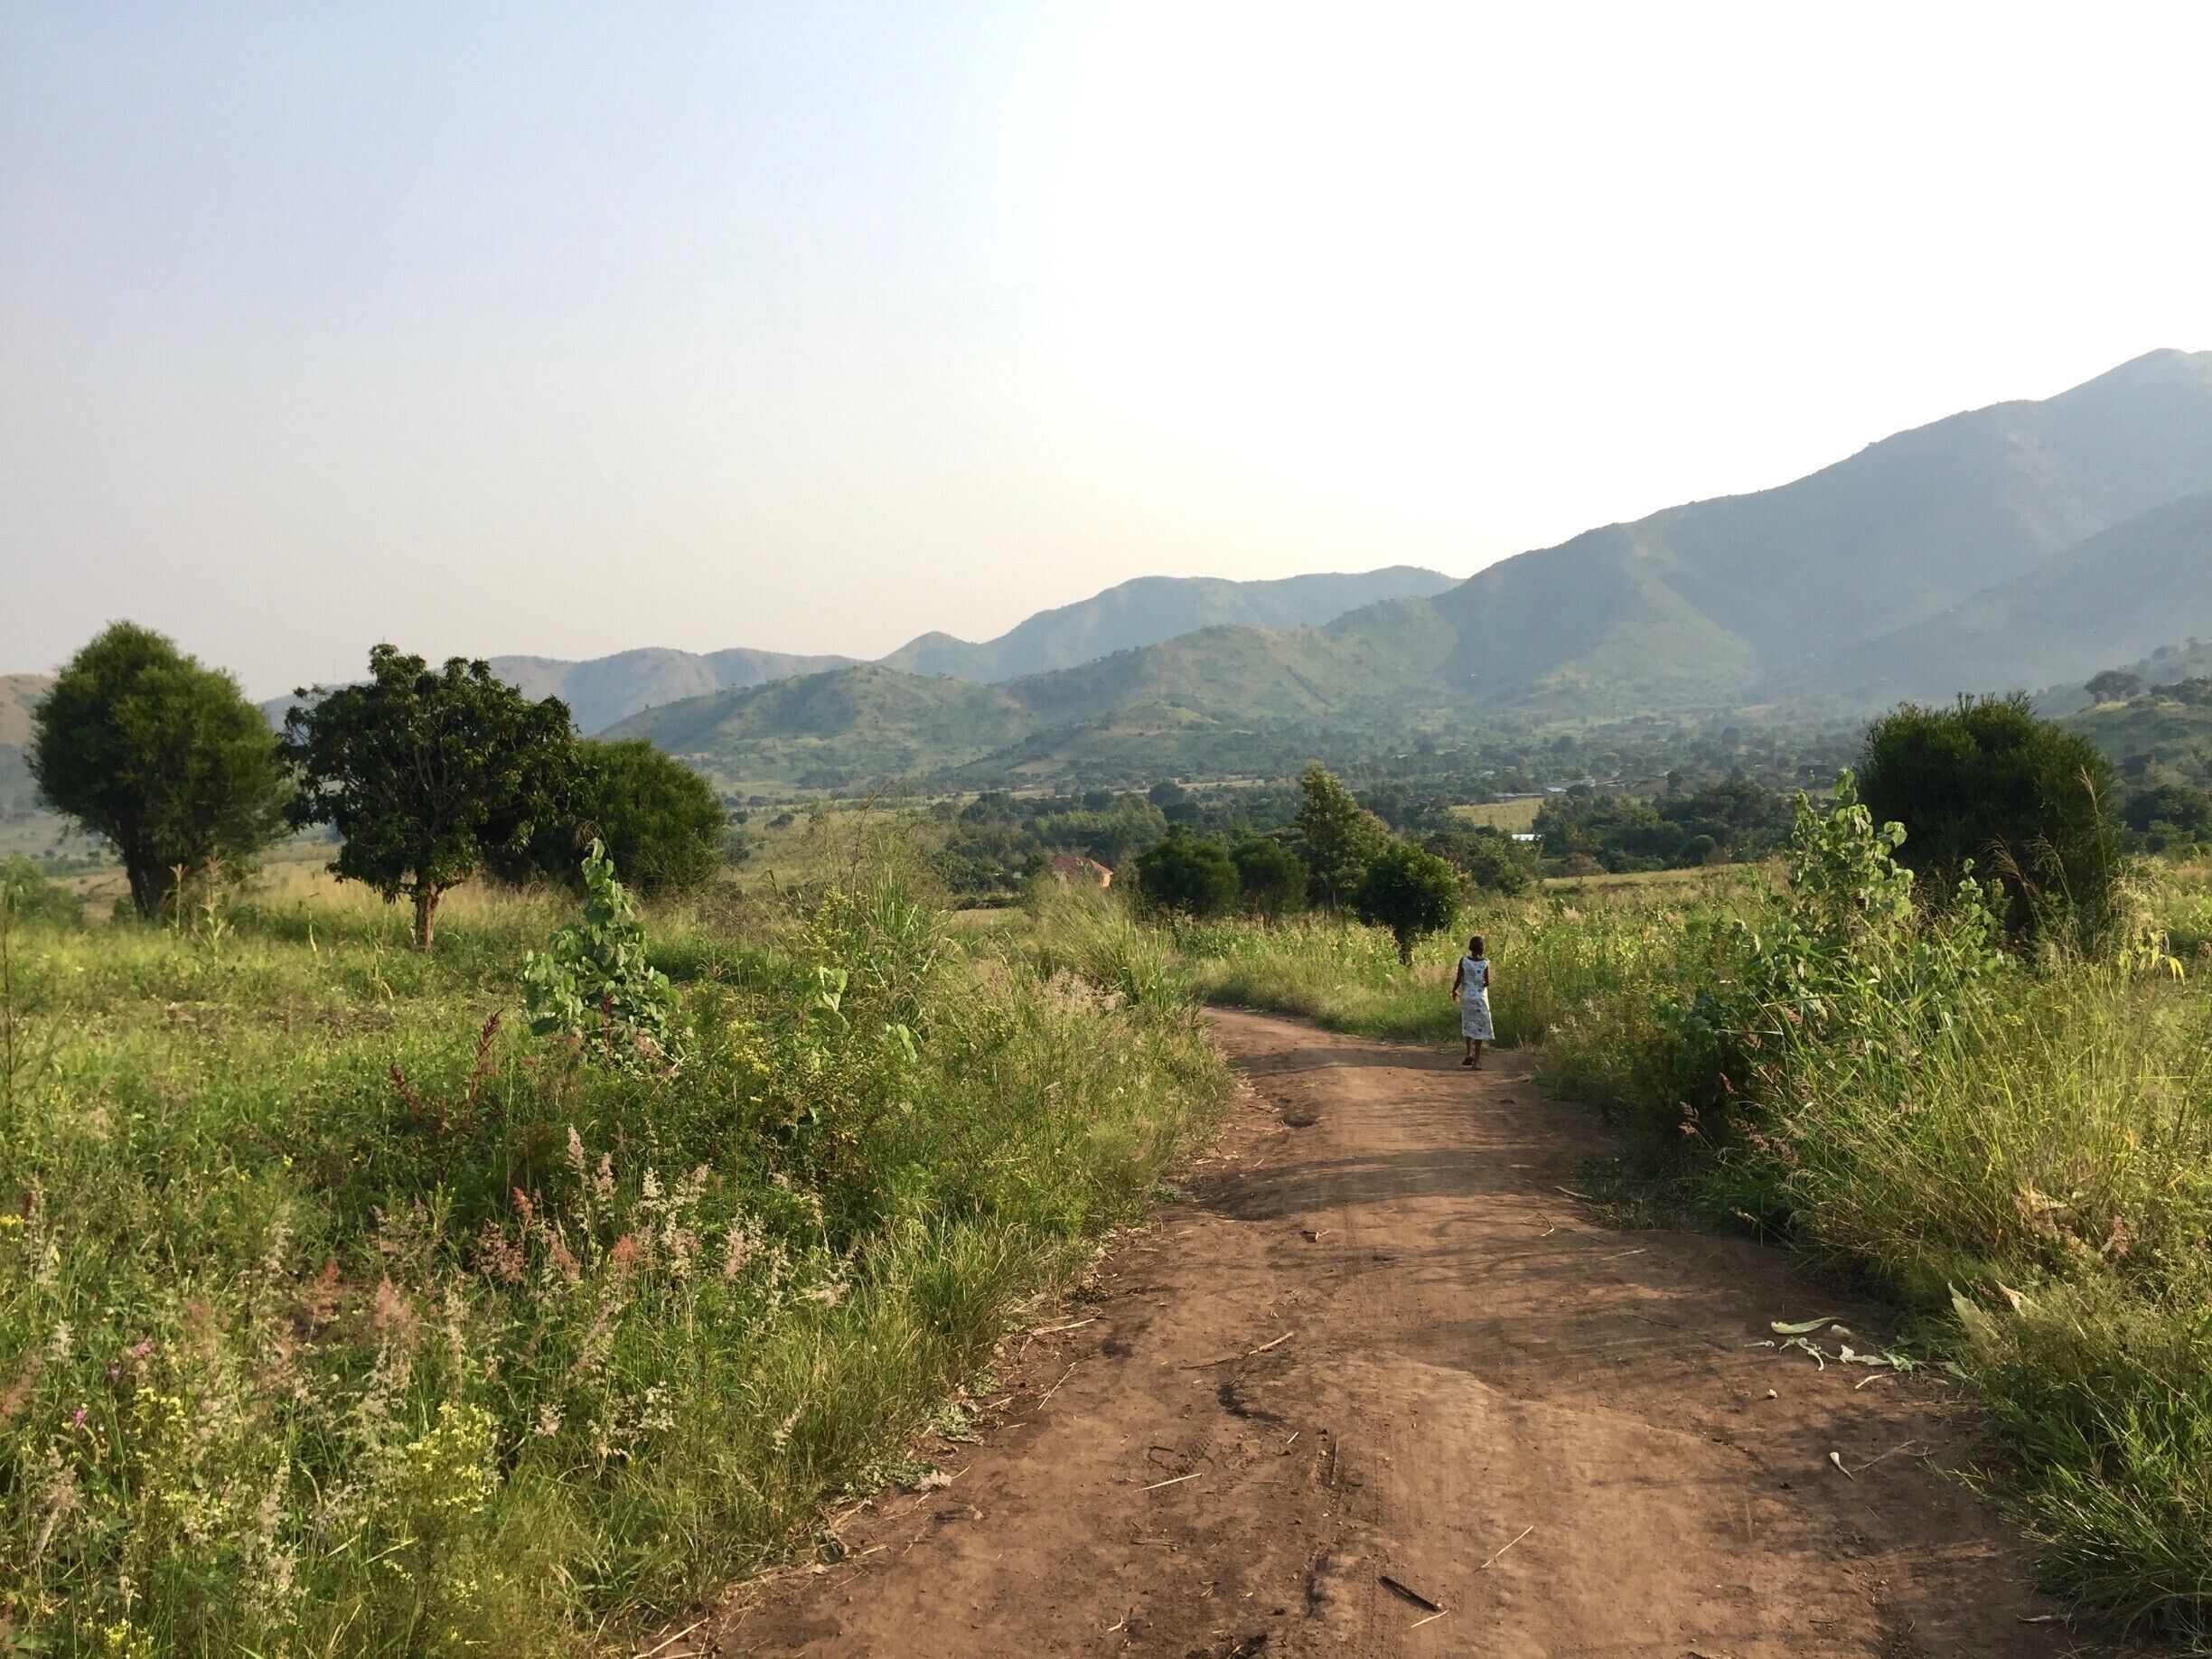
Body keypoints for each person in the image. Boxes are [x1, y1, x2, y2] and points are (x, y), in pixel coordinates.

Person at [1451, 934, 1494, 1069]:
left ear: (1470, 948)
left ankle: (1468, 1053)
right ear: (1482, 949)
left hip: (1467, 998)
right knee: (1479, 1027)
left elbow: (1459, 978)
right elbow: (1487, 982)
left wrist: (1454, 990)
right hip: (1480, 998)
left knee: (1468, 1024)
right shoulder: (1485, 962)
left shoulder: (1464, 960)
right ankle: (1477, 1060)